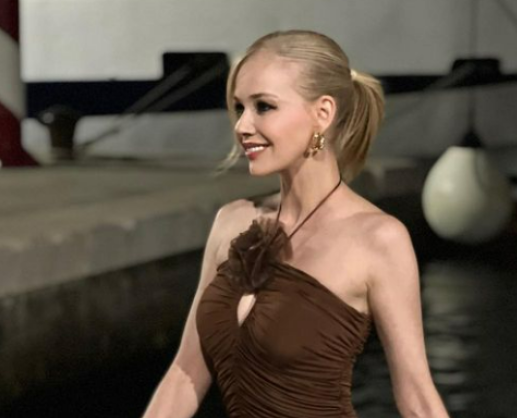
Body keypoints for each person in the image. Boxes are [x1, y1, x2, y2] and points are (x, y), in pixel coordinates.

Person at [142, 30, 450, 418]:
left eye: (263, 106)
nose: (242, 126)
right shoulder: (231, 222)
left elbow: (417, 397)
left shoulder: (378, 239)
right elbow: (185, 373)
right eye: (239, 107)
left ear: (323, 113)